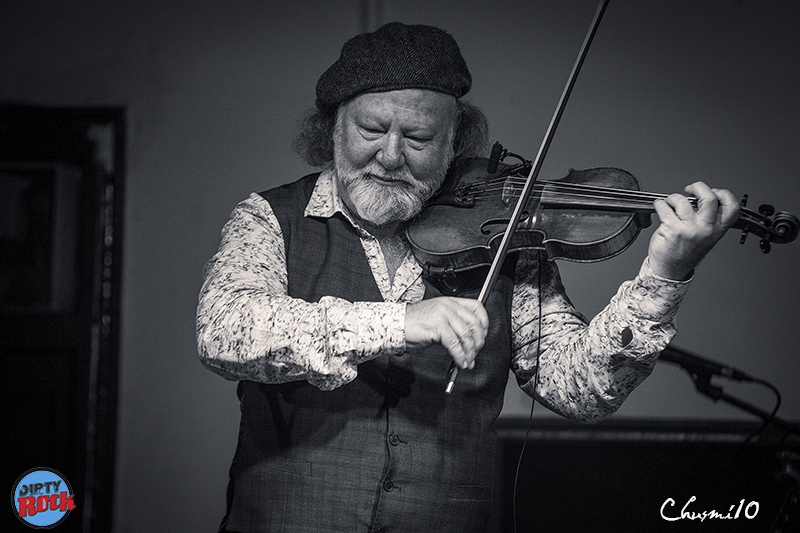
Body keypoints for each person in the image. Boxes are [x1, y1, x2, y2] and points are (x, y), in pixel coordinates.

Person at [196, 22, 739, 533]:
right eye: (371, 129)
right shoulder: (270, 218)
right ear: (333, 127)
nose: (389, 155)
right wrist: (399, 321)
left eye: (418, 137)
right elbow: (225, 331)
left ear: (454, 142)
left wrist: (666, 272)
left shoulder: (503, 237)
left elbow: (582, 388)